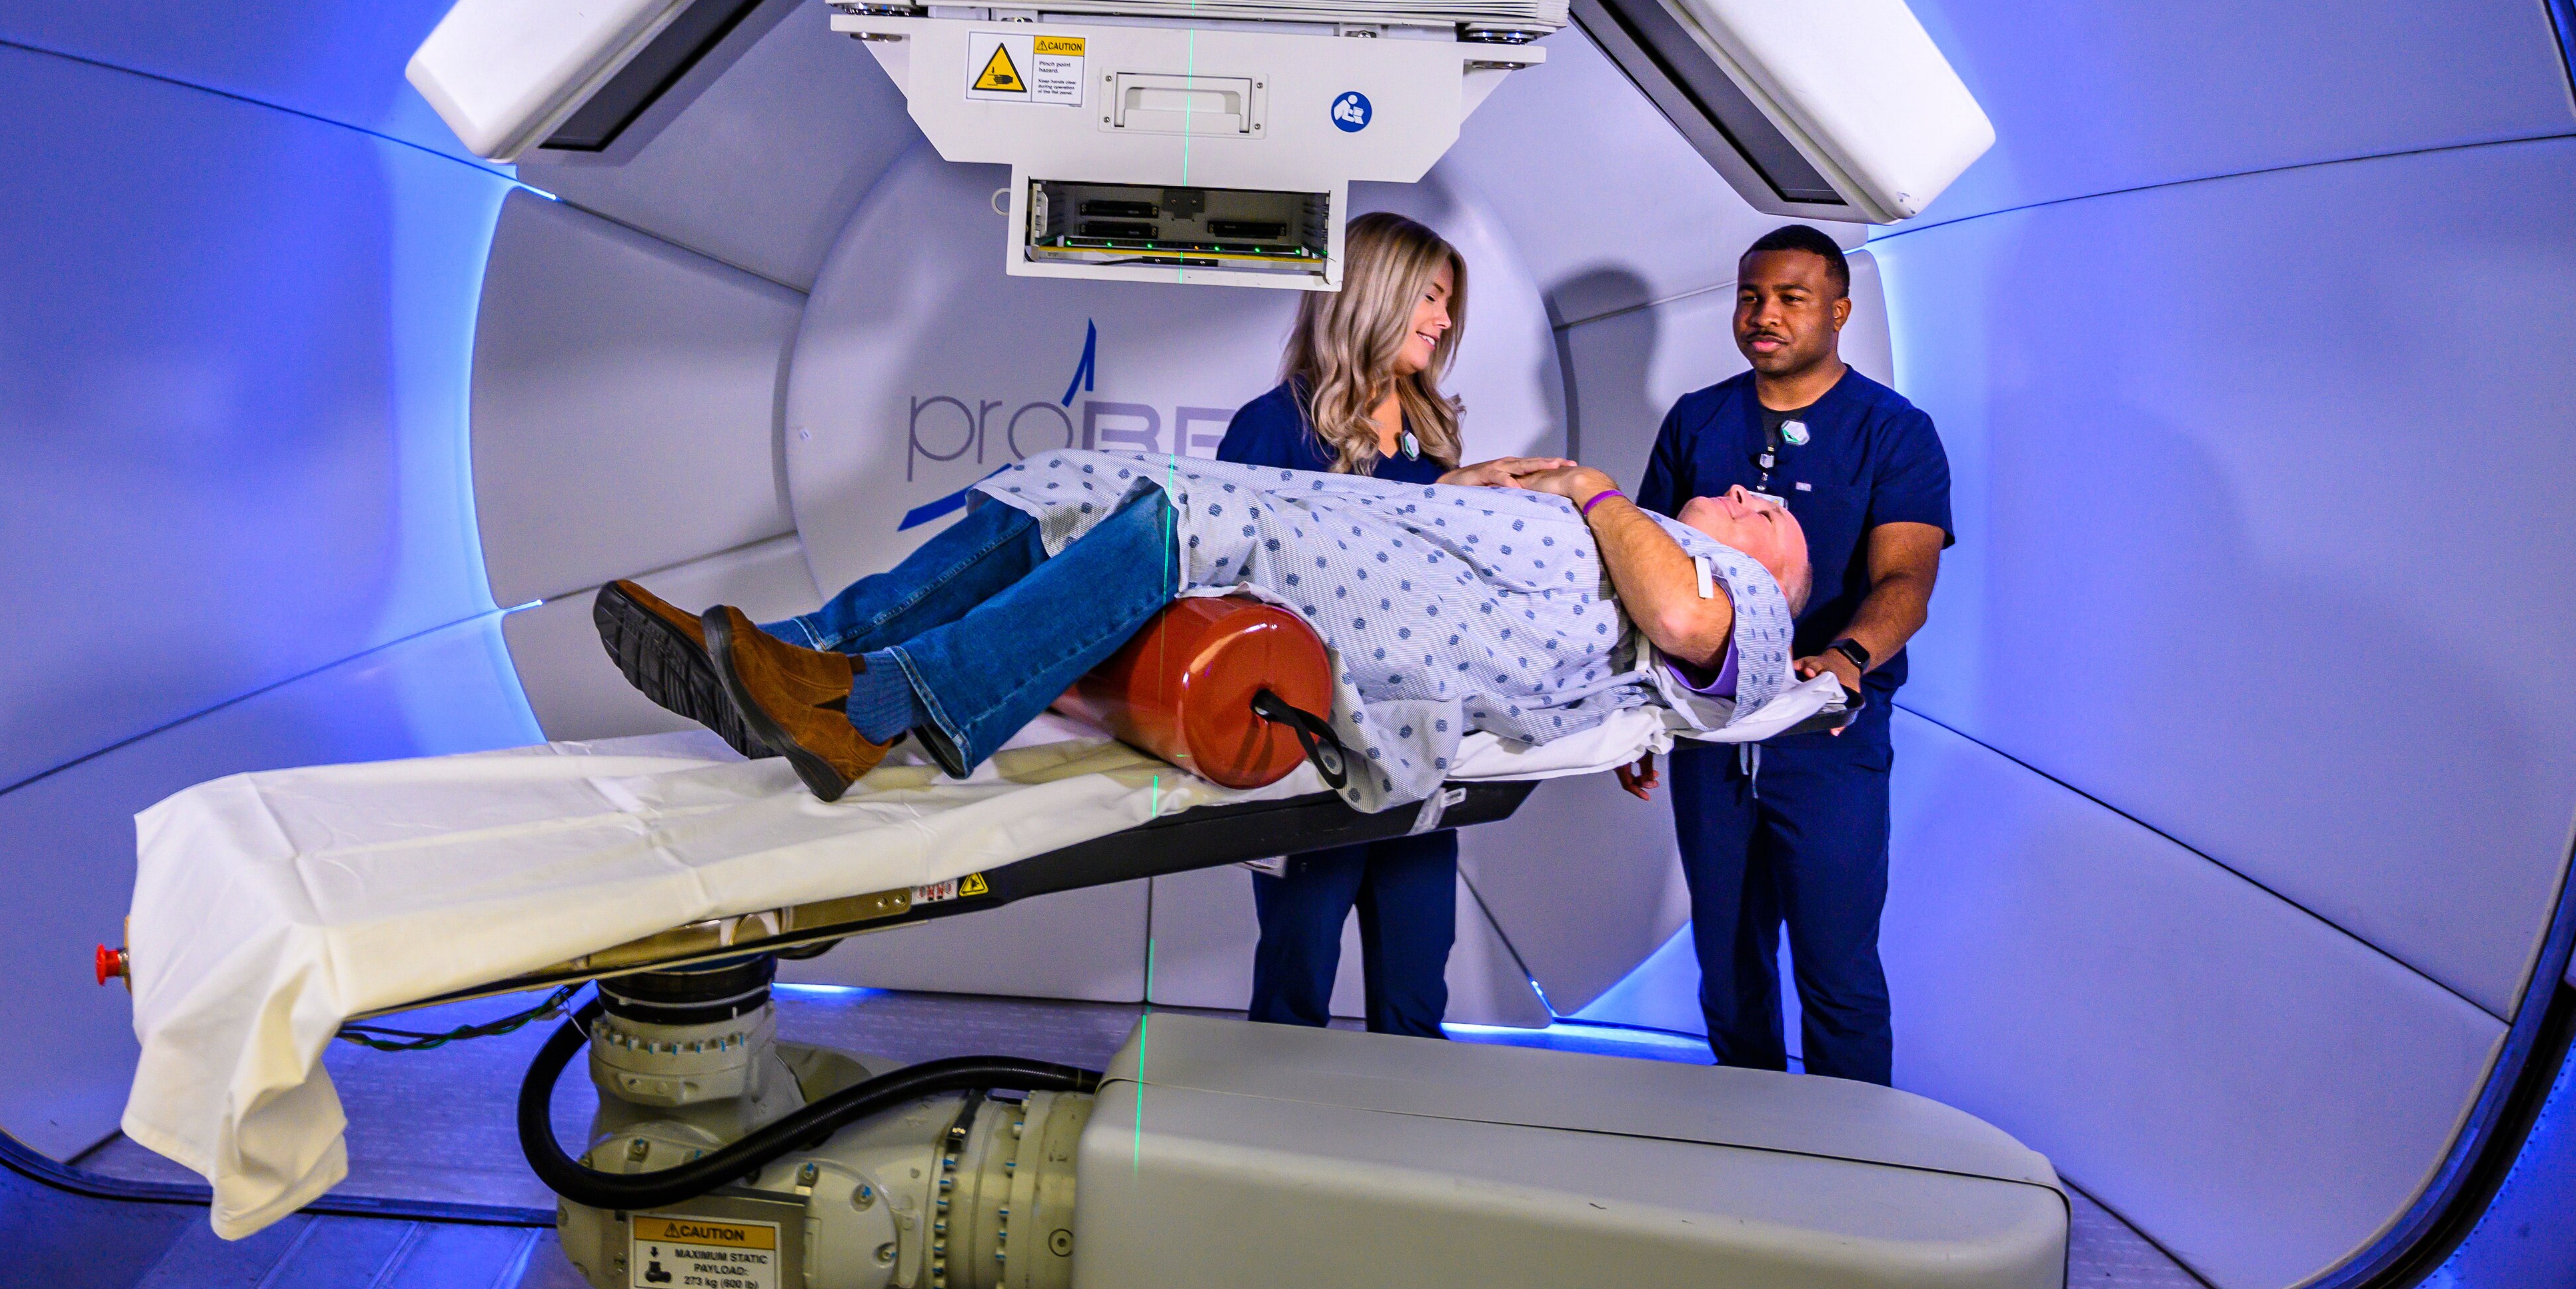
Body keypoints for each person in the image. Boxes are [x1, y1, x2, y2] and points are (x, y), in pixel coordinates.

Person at [591, 450, 1816, 819]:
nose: (1758, 501)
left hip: (1435, 620)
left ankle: (879, 707)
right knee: (1078, 476)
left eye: (1774, 519)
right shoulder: (1641, 523)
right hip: (1405, 540)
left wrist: (1594, 493)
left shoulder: (1731, 588)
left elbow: (1679, 624)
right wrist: (1499, 486)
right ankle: (794, 653)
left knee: (1188, 514)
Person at [1215, 210, 1554, 1038]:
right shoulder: (1272, 428)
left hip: (1419, 745)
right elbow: (1242, 593)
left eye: (1447, 306)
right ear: (1373, 296)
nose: (1443, 324)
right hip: (1315, 748)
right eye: (1430, 300)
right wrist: (1440, 503)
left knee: (1415, 981)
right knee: (1297, 972)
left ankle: (1407, 1153)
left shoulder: (1433, 434)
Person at [1632, 224, 1951, 1088]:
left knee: (1836, 967)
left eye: (1790, 298)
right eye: (1750, 296)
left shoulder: (1893, 432)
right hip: (1712, 726)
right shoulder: (1700, 420)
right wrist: (1637, 713)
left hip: (1828, 732)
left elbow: (1906, 581)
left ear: (1840, 311)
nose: (1763, 314)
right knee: (1729, 968)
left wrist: (1848, 658)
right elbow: (1648, 578)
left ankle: (1854, 1167)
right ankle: (1751, 1154)